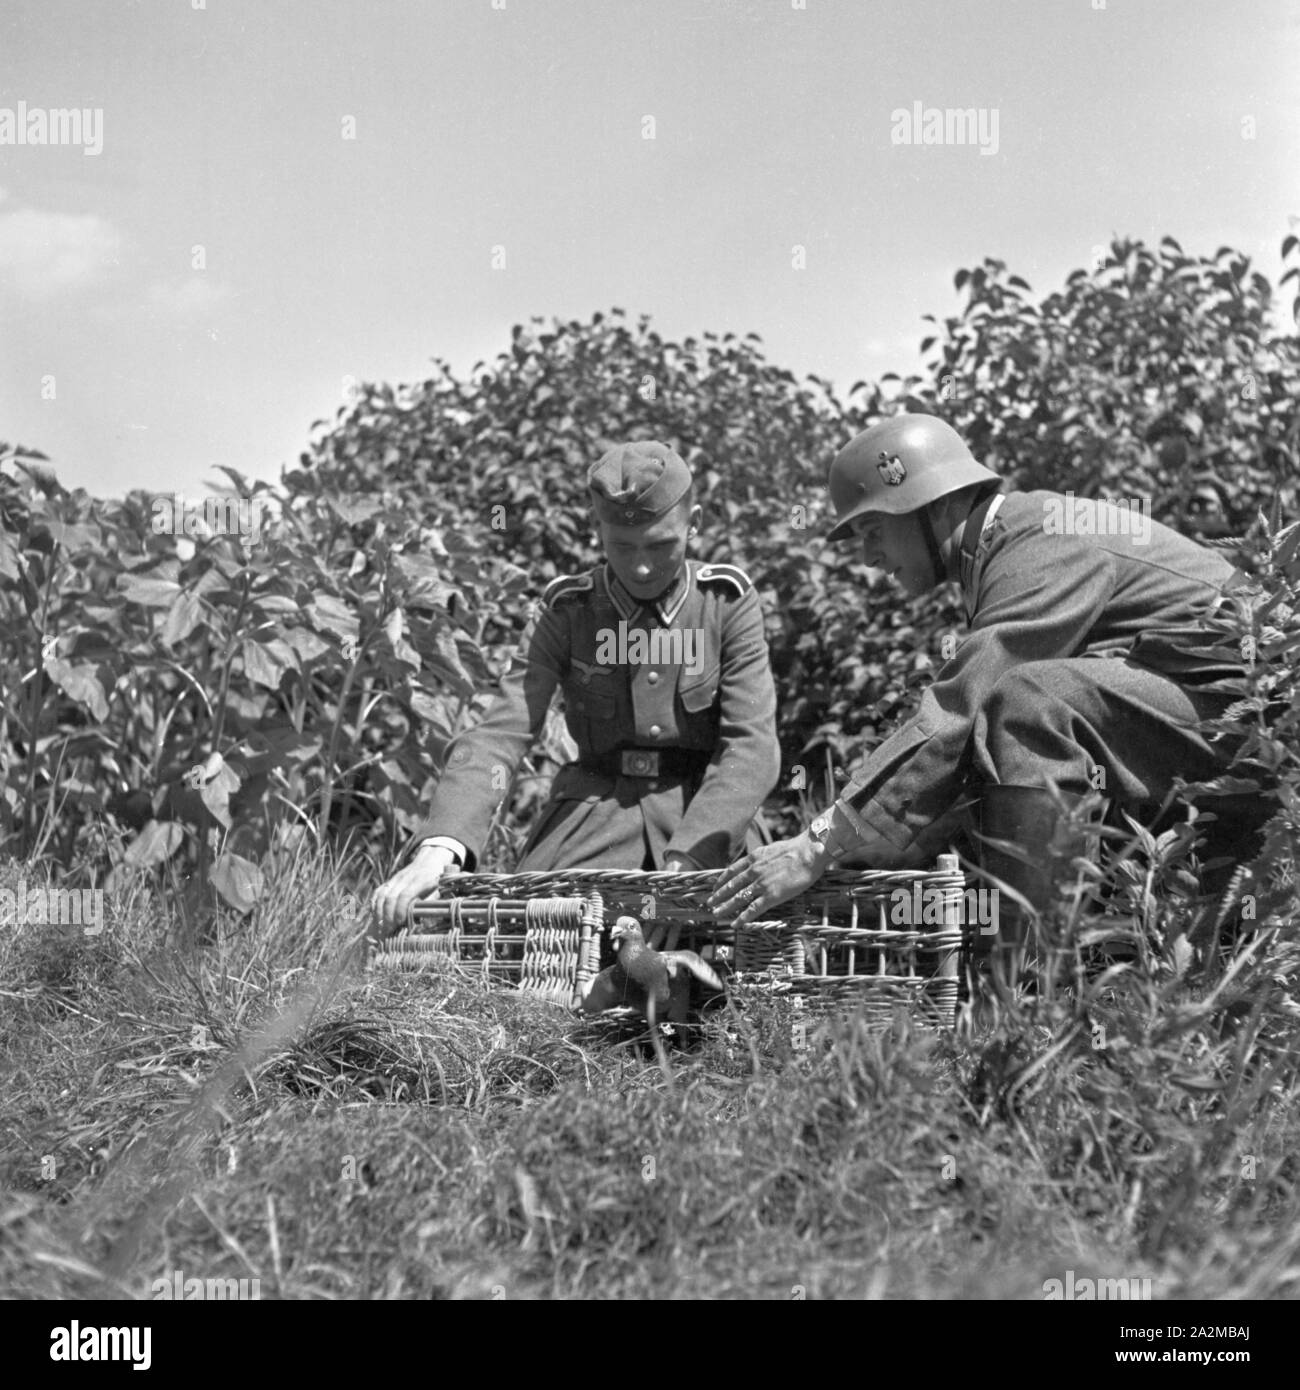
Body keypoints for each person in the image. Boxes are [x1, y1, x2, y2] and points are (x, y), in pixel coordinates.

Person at [709, 412, 1248, 990]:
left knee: (1028, 702)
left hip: (1252, 723)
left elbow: (968, 701)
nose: (867, 557)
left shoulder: (1043, 535)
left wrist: (819, 842)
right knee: (1000, 739)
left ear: (934, 506)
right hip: (1211, 727)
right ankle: (1065, 985)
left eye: (872, 532)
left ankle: (1024, 999)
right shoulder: (1012, 541)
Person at [372, 440, 782, 939]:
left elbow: (750, 746)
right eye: (622, 546)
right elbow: (500, 734)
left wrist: (688, 868)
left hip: (706, 820)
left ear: (694, 523)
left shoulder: (727, 604)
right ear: (597, 530)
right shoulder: (567, 612)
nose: (642, 567)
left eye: (660, 545)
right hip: (594, 818)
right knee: (532, 944)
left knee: (739, 946)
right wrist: (441, 847)